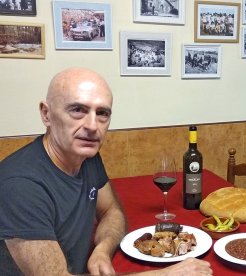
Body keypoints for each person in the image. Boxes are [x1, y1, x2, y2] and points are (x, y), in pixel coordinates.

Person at [0, 68, 212, 276]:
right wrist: (167, 275)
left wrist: (102, 249)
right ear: (46, 114)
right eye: (78, 110)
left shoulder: (86, 155)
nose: (92, 126)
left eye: (102, 113)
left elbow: (111, 211)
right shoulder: (20, 185)